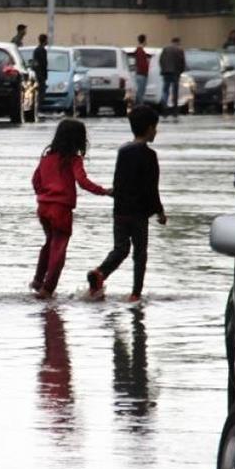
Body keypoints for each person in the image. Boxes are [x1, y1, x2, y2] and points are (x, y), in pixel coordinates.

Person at [87, 105, 167, 303]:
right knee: (140, 254)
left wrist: (116, 196)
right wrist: (160, 211)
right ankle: (135, 294)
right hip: (139, 214)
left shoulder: (123, 151)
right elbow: (151, 188)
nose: (156, 132)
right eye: (155, 128)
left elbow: (118, 181)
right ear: (149, 129)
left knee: (121, 249)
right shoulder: (150, 155)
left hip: (120, 210)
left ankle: (100, 273)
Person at [32, 119, 111, 299]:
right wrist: (104, 191)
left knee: (49, 242)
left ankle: (37, 281)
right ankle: (47, 289)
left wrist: (44, 195)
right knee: (59, 248)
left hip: (43, 207)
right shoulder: (74, 160)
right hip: (61, 210)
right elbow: (82, 182)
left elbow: (35, 181)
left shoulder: (46, 159)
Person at [159, 37, 185, 117]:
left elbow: (161, 60)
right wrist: (181, 71)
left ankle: (164, 106)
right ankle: (174, 110)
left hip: (166, 72)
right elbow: (182, 62)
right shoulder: (179, 50)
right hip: (175, 73)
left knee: (165, 90)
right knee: (175, 91)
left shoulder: (165, 49)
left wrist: (163, 69)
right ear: (177, 42)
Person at [134, 34, 150, 107]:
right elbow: (141, 64)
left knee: (139, 91)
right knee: (141, 92)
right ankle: (140, 106)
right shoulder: (140, 51)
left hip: (140, 73)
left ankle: (137, 106)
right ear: (144, 41)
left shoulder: (139, 50)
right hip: (142, 74)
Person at [33, 33, 49, 107]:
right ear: (45, 40)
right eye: (46, 40)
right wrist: (40, 75)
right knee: (41, 94)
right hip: (40, 75)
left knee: (40, 93)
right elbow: (40, 64)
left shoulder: (38, 50)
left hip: (40, 74)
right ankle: (38, 108)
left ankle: (37, 108)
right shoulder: (41, 50)